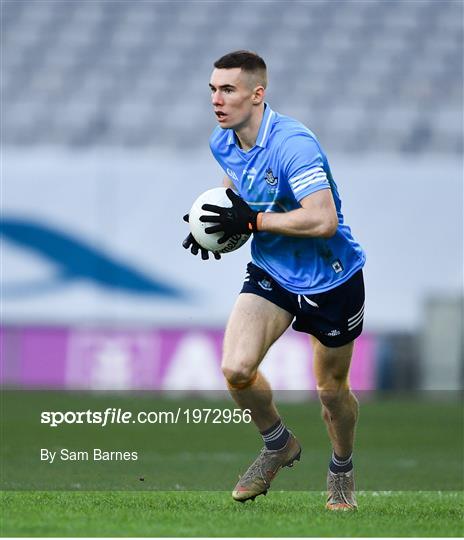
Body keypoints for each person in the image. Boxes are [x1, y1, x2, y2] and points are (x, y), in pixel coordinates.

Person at [182, 50, 365, 511]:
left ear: (257, 94)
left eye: (227, 90)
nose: (216, 100)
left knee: (331, 391)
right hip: (273, 271)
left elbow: (322, 220)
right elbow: (237, 189)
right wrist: (214, 223)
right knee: (236, 370)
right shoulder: (222, 140)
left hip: (331, 276)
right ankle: (278, 444)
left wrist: (254, 222)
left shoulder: (293, 144)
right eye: (212, 90)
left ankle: (341, 468)